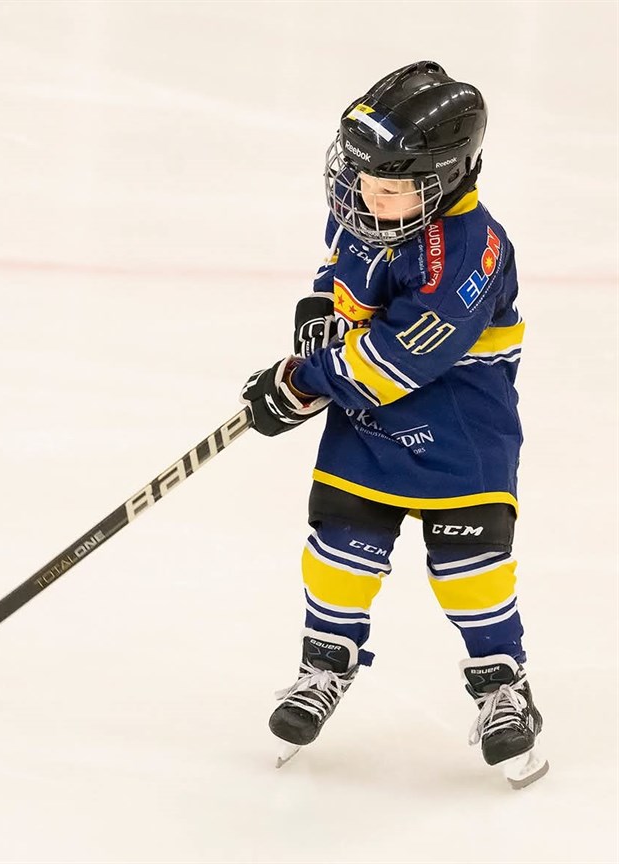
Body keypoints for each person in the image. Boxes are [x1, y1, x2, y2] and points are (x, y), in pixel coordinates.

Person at [239, 61, 547, 788]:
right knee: (337, 557)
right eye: (360, 176)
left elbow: (398, 358)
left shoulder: (469, 252)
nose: (364, 195)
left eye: (387, 186)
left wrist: (302, 383)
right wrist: (318, 319)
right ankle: (324, 667)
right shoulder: (372, 206)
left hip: (461, 435)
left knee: (471, 573)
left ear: (445, 178)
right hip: (366, 427)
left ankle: (504, 687)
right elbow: (339, 273)